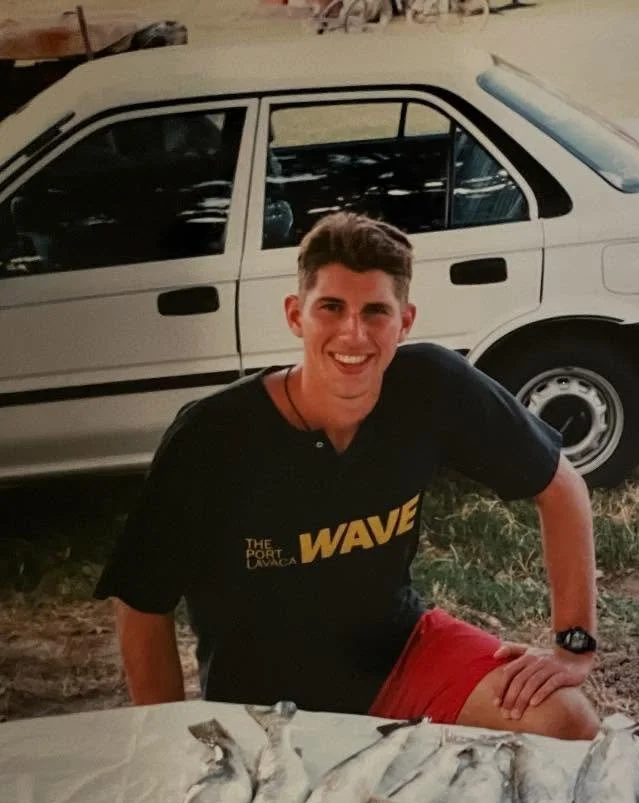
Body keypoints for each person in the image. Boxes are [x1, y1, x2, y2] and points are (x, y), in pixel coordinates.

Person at [95, 211, 601, 737]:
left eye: (376, 311)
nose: (353, 333)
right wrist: (172, 742)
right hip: (267, 705)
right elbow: (141, 604)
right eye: (331, 307)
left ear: (404, 322)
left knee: (565, 720)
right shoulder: (213, 433)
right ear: (296, 315)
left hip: (401, 654)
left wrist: (574, 647)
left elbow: (560, 485)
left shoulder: (431, 385)